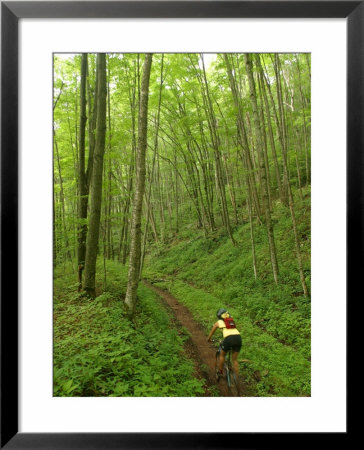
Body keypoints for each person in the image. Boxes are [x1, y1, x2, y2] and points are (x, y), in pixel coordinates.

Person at [207, 308, 242, 381]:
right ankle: (237, 379)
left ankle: (220, 371)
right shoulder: (231, 321)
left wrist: (209, 339)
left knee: (222, 355)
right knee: (235, 360)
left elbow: (212, 331)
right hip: (238, 338)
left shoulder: (219, 322)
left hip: (229, 339)